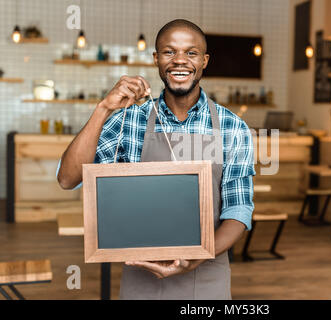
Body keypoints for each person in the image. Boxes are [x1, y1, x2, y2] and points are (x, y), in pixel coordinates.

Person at [57, 19, 255, 299]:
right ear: (156, 59)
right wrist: (103, 109)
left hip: (207, 276)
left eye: (191, 53)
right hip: (141, 276)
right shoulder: (129, 120)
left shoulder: (233, 127)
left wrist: (196, 257)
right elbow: (67, 179)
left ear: (205, 61)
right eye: (169, 52)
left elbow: (238, 211)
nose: (180, 61)